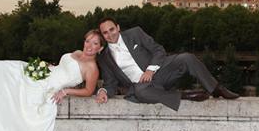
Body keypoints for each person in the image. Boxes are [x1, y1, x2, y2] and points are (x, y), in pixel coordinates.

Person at [95, 17, 239, 111]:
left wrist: (150, 70)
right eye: (105, 33)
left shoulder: (135, 33)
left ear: (118, 27)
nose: (110, 34)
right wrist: (103, 91)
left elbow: (158, 50)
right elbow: (110, 83)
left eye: (112, 29)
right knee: (140, 91)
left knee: (187, 58)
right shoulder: (105, 58)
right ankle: (182, 96)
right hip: (144, 88)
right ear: (102, 35)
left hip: (160, 73)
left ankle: (215, 88)